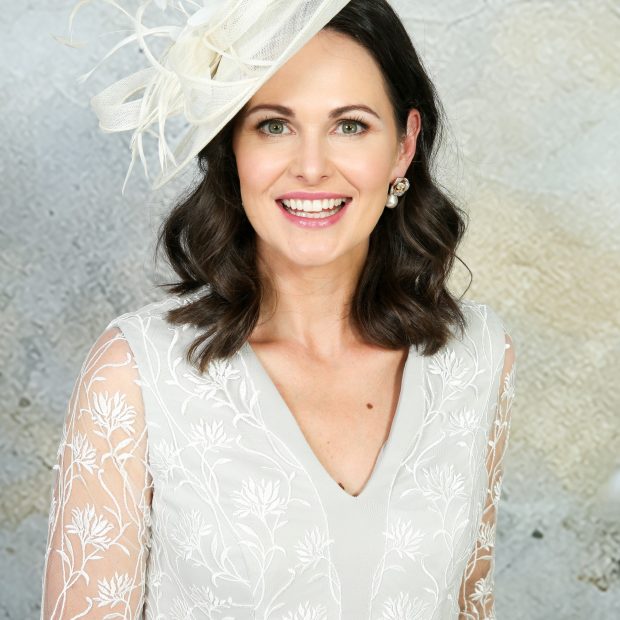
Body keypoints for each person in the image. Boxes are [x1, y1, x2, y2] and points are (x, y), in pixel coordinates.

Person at [41, 1, 516, 618]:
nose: (311, 168)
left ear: (404, 146)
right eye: (273, 125)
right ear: (231, 146)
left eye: (350, 125)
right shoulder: (137, 373)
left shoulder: (477, 357)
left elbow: (472, 601)